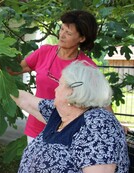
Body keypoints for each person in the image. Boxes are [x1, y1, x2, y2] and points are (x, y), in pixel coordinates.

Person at [0, 60, 129, 173]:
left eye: (60, 84)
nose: (55, 88)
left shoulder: (99, 126)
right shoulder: (62, 113)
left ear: (72, 91)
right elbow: (26, 100)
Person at [14, 10, 98, 143]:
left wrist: (114, 124)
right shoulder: (44, 52)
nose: (62, 35)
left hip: (65, 133)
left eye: (68, 33)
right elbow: (16, 69)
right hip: (36, 129)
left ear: (82, 38)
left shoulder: (87, 68)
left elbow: (101, 101)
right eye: (62, 29)